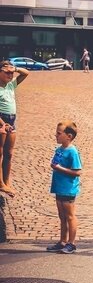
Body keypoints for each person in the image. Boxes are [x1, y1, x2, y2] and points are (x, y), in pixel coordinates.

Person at [46, 120, 82, 254]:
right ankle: (62, 241)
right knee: (62, 216)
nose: (56, 135)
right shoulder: (59, 149)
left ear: (69, 136)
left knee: (70, 216)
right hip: (59, 187)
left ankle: (71, 243)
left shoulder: (73, 152)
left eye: (59, 133)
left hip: (68, 188)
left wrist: (59, 168)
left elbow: (77, 171)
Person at [0, 60, 29, 196]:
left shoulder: (11, 85)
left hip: (11, 120)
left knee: (9, 154)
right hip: (1, 120)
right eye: (6, 72)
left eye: (11, 73)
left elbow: (26, 73)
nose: (10, 75)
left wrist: (15, 67)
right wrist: (2, 124)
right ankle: (1, 184)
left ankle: (7, 182)